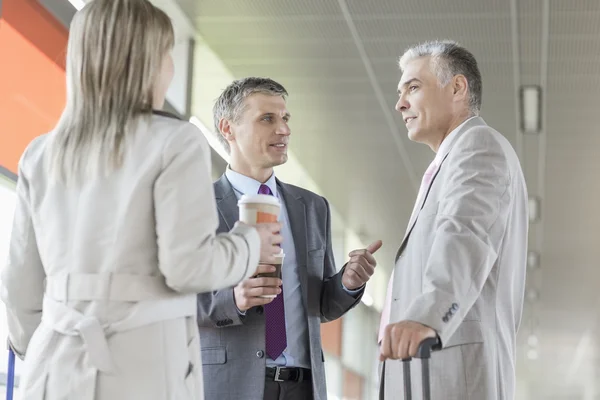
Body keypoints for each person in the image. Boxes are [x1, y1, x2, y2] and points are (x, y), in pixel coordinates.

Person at [0, 1, 281, 399]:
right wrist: (251, 240)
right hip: (142, 368)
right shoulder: (174, 141)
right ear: (147, 61)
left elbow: (18, 284)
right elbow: (189, 267)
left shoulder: (41, 153)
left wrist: (50, 349)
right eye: (167, 53)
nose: (171, 66)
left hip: (53, 369)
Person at [197, 77, 382, 400]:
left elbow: (321, 305)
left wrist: (348, 283)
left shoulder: (311, 207)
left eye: (285, 118)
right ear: (228, 129)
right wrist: (234, 299)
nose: (283, 130)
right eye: (267, 119)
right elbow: (176, 300)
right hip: (231, 384)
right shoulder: (197, 205)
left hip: (303, 386)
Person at [378, 40, 528, 399]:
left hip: (452, 372)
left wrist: (427, 315)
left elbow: (466, 234)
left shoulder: (478, 146)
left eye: (413, 87)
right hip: (427, 372)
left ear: (457, 88)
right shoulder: (448, 161)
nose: (400, 103)